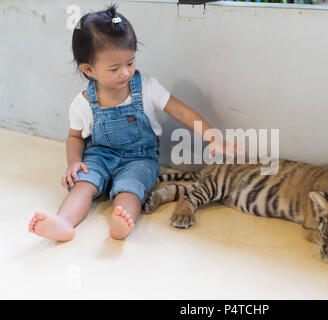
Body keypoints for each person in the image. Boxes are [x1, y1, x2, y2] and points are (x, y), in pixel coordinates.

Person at [28, 4, 233, 241]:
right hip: (100, 155)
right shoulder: (83, 102)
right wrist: (74, 162)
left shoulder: (146, 88)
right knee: (83, 183)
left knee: (130, 186)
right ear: (89, 69)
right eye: (114, 68)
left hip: (140, 158)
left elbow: (181, 111)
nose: (125, 73)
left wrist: (212, 135)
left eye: (130, 62)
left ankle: (122, 220)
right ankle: (63, 222)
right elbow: (74, 136)